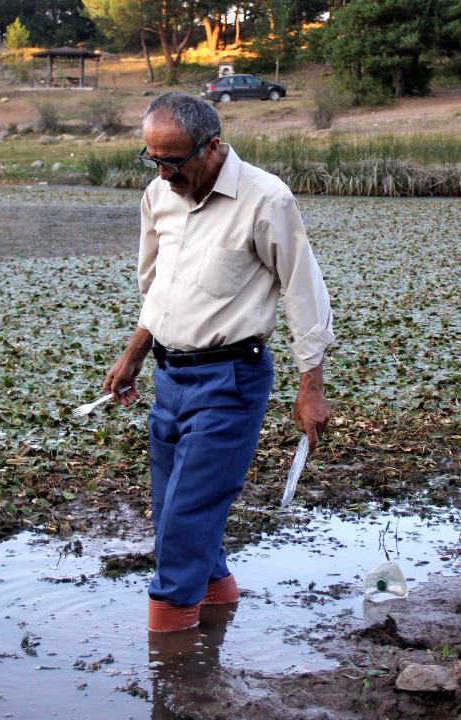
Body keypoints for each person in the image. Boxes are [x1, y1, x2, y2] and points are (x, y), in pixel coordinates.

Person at [100, 92, 335, 633]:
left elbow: (305, 293)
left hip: (232, 378)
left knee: (182, 522)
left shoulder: (265, 199)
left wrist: (311, 387)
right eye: (152, 159)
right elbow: (160, 288)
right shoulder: (158, 195)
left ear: (213, 147)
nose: (162, 173)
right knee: (171, 515)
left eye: (173, 161)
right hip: (169, 377)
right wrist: (134, 353)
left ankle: (170, 664)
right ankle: (216, 602)